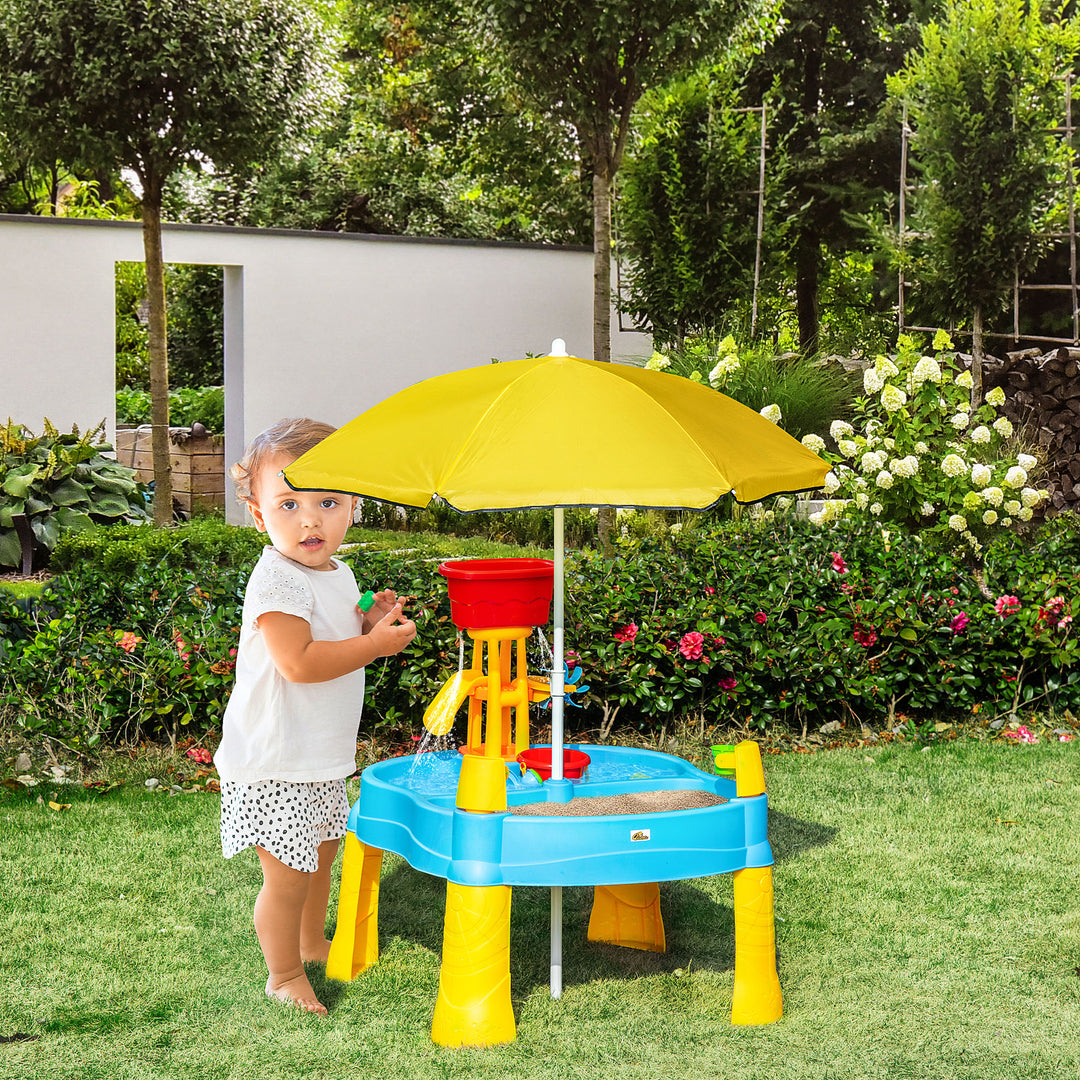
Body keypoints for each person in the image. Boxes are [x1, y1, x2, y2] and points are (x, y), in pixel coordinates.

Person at [214, 417, 416, 1015]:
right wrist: (376, 647)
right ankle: (282, 975)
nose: (310, 520)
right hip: (274, 760)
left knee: (321, 855)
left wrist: (366, 619)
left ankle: (308, 940)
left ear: (351, 505)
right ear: (257, 514)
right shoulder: (275, 577)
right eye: (288, 503)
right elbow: (299, 662)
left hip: (317, 756)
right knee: (288, 877)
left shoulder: (337, 570)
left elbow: (336, 625)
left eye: (327, 501)